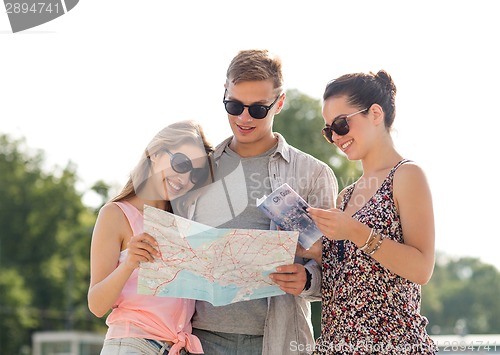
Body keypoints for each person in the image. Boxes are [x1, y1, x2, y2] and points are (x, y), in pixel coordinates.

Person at [189, 49, 338, 355]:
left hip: (278, 340)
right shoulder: (199, 169)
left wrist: (308, 278)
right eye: (233, 105)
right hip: (198, 339)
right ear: (225, 95)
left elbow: (339, 264)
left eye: (257, 109)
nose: (243, 118)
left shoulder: (313, 174)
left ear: (279, 103)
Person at [307, 70, 437, 354]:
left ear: (375, 114)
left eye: (341, 124)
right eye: (329, 131)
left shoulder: (407, 175)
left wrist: (353, 231)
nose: (336, 137)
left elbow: (421, 268)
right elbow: (350, 275)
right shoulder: (346, 196)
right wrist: (313, 252)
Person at [88, 120, 214, 355]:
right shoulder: (115, 214)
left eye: (196, 173)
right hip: (132, 346)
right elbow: (96, 304)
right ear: (155, 153)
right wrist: (129, 263)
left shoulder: (186, 226)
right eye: (181, 163)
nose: (185, 178)